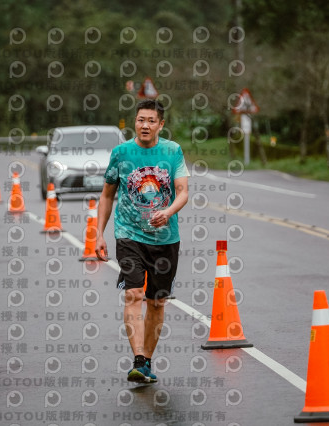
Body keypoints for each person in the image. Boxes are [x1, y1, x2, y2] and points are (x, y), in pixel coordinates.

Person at [95, 99, 189, 383]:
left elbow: (183, 192)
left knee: (156, 302)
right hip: (129, 235)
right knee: (133, 294)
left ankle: (146, 361)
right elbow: (106, 195)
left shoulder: (172, 151)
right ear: (134, 122)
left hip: (165, 238)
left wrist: (168, 212)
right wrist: (99, 234)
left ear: (161, 124)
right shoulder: (121, 153)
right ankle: (137, 359)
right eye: (140, 120)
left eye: (151, 120)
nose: (145, 125)